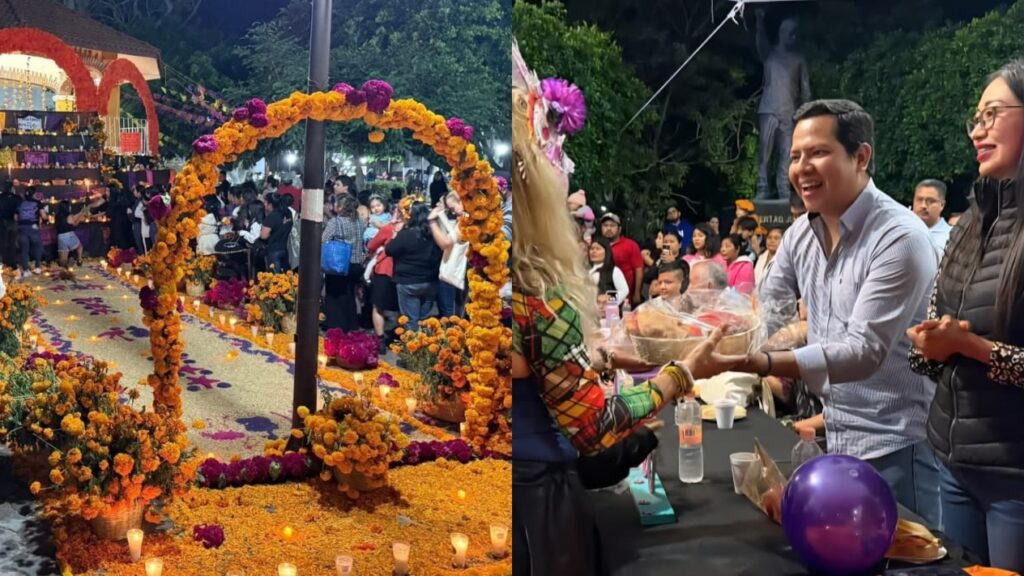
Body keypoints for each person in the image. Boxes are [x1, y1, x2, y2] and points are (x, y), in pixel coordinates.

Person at [510, 78, 739, 576]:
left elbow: (534, 369)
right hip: (533, 505)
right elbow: (593, 425)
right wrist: (679, 374)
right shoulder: (537, 291)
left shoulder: (485, 268)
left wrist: (602, 356)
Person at [733, 99, 942, 528]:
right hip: (836, 434)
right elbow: (769, 310)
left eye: (818, 153)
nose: (801, 168)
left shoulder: (899, 237)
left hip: (895, 443)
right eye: (795, 156)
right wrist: (724, 338)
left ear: (860, 157)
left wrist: (763, 362)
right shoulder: (800, 234)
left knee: (902, 554)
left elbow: (863, 352)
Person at [906, 60, 1024, 570]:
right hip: (953, 461)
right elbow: (939, 322)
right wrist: (930, 345)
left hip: (1014, 479)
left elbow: (969, 344)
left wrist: (969, 346)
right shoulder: (971, 222)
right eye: (975, 118)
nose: (977, 130)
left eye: (992, 114)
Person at [385, 200, 443, 332]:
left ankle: (414, 343)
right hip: (430, 281)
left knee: (411, 321)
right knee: (424, 320)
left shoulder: (406, 234)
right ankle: (427, 341)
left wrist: (394, 236)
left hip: (408, 282)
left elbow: (389, 250)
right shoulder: (434, 233)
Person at [367, 196, 408, 346]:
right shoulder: (413, 229)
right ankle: (400, 338)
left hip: (384, 270)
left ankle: (380, 340)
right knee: (401, 307)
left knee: (378, 306)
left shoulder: (389, 228)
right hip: (404, 272)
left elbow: (371, 246)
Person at [322, 194, 366, 331]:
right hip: (356, 264)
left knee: (335, 298)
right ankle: (351, 326)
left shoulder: (336, 222)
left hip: (339, 265)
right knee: (349, 296)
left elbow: (324, 240)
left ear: (340, 207)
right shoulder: (359, 221)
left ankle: (336, 327)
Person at [429, 192, 469, 318]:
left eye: (452, 208)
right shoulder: (464, 219)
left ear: (461, 202)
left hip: (452, 273)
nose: (452, 211)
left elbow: (445, 243)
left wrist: (432, 222)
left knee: (450, 313)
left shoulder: (465, 221)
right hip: (455, 273)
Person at [598, 213, 644, 307]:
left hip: (624, 297)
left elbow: (639, 269)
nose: (609, 228)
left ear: (619, 229)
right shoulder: (596, 246)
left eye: (612, 225)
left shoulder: (631, 245)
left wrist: (637, 293)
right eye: (605, 225)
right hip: (601, 297)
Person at [912, 179, 952, 258]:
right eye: (919, 200)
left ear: (942, 205)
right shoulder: (900, 231)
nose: (923, 206)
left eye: (930, 201)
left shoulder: (951, 237)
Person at [588, 235, 629, 308]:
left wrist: (611, 304)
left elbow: (624, 290)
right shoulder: (586, 270)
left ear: (606, 251)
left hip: (607, 312)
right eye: (592, 249)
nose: (594, 251)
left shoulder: (614, 270)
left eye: (598, 249)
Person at [16, 186, 46, 277]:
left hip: (21, 228)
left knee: (24, 250)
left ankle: (25, 270)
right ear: (34, 194)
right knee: (38, 247)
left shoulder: (20, 203)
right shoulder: (37, 203)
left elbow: (15, 217)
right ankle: (37, 267)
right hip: (33, 227)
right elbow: (44, 216)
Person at [260, 193, 293, 272]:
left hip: (274, 250)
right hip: (286, 249)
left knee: (274, 277)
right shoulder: (288, 213)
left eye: (265, 202)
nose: (264, 204)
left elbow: (263, 236)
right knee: (286, 276)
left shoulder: (272, 217)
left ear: (270, 205)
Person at [54, 200, 85, 268]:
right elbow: (75, 224)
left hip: (60, 237)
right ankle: (79, 259)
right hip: (69, 235)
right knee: (79, 247)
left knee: (63, 260)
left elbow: (72, 218)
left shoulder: (57, 216)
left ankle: (64, 266)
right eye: (69, 206)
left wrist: (80, 213)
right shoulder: (68, 216)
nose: (70, 207)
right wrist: (81, 216)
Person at [0, 183, 20, 267]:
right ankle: (12, 262)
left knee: (2, 242)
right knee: (13, 242)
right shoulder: (17, 198)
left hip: (2, 221)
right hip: (13, 222)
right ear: (12, 188)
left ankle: (2, 261)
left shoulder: (1, 197)